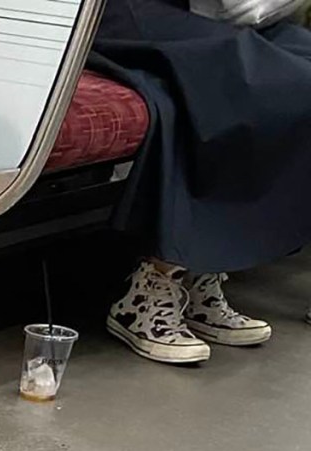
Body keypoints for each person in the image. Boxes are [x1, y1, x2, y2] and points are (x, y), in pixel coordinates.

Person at [89, 0, 311, 363]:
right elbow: (241, 9)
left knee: (295, 63)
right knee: (267, 79)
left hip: (191, 13)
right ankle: (150, 288)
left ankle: (199, 269)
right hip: (113, 10)